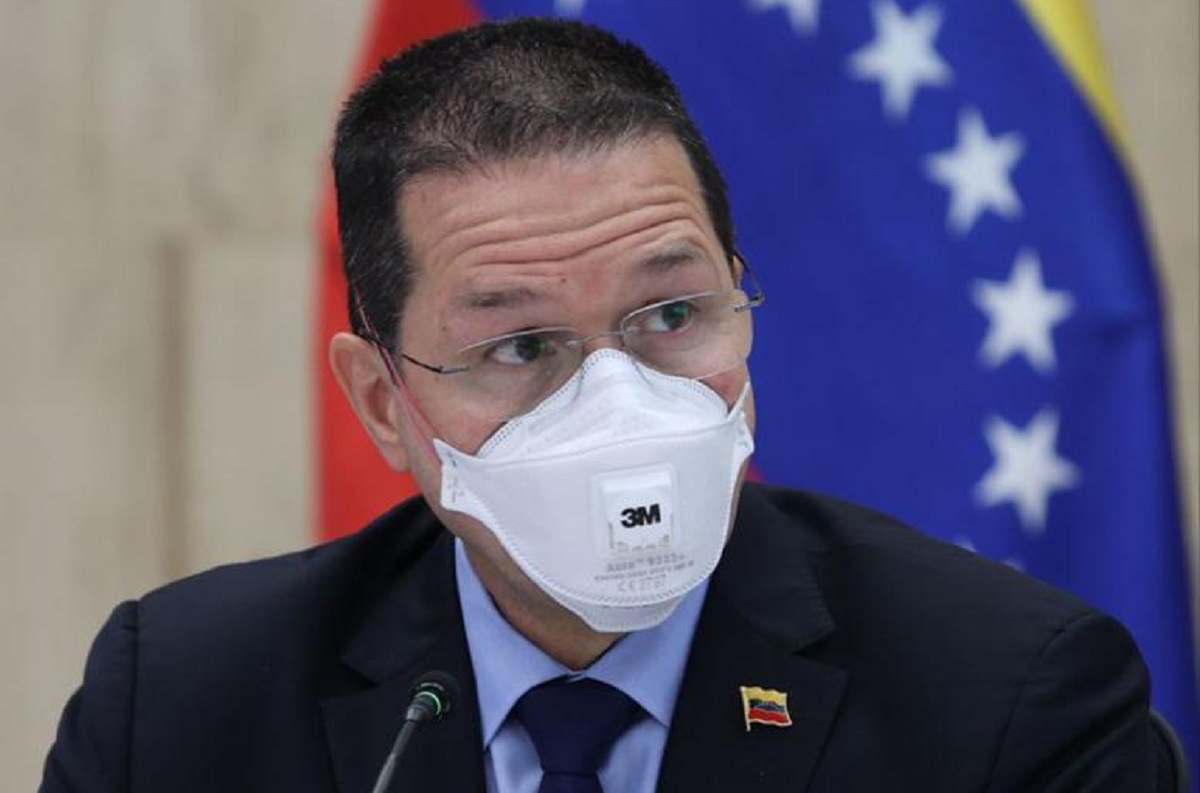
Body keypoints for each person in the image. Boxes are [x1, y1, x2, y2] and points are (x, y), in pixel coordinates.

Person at [41, 17, 1152, 793]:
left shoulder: (1013, 698)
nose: (617, 404)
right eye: (522, 345)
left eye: (671, 315)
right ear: (383, 401)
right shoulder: (183, 703)